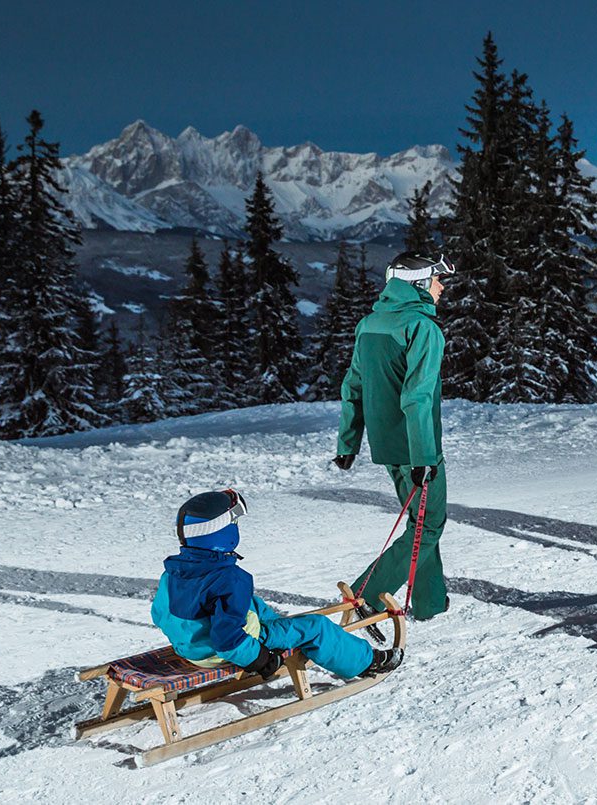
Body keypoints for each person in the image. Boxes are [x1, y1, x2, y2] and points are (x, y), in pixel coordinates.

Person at [152, 489, 401, 679]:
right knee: (316, 627)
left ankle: (275, 630)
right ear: (222, 534)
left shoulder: (173, 571)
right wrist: (260, 660)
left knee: (249, 603)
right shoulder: (229, 580)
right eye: (233, 524)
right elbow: (227, 642)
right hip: (216, 652)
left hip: (189, 648)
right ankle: (367, 661)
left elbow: (160, 615)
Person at [333, 252, 455, 620]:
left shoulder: (370, 324)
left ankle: (431, 601)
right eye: (436, 279)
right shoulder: (423, 328)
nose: (442, 286)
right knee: (430, 524)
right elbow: (417, 396)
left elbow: (352, 385)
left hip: (385, 445)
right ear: (418, 283)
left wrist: (347, 443)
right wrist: (423, 458)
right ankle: (365, 593)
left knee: (421, 523)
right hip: (417, 447)